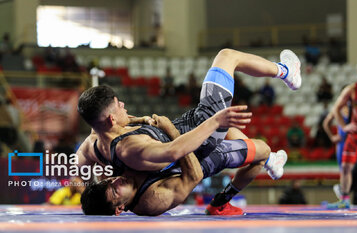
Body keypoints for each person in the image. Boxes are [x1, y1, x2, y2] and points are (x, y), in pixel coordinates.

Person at [76, 48, 302, 214]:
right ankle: (286, 72)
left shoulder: (95, 144)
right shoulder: (146, 185)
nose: (115, 182)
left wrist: (91, 195)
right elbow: (180, 156)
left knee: (241, 137)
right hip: (197, 144)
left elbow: (75, 172)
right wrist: (213, 123)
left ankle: (265, 164)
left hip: (187, 132)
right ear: (111, 118)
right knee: (226, 57)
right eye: (118, 105)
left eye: (109, 183)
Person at [81, 115, 287, 216]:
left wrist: (142, 119)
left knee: (227, 127)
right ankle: (221, 202)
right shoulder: (152, 202)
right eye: (115, 190)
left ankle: (269, 162)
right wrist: (174, 135)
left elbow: (101, 129)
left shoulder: (114, 169)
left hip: (181, 149)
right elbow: (194, 176)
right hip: (197, 164)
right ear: (120, 208)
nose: (117, 180)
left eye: (109, 181)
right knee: (262, 150)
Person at [326, 61, 357, 209]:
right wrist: (344, 126)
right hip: (355, 134)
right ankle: (345, 199)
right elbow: (335, 108)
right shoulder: (352, 90)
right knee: (346, 166)